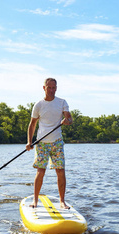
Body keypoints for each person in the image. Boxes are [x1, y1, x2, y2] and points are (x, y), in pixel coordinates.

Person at [26, 78, 73, 209]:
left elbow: (70, 119)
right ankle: (35, 200)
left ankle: (62, 201)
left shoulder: (62, 102)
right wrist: (30, 142)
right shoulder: (38, 105)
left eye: (54, 88)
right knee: (40, 171)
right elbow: (32, 124)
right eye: (49, 88)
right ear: (44, 88)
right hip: (42, 142)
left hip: (57, 142)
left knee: (60, 171)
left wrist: (67, 121)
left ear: (56, 88)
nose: (52, 90)